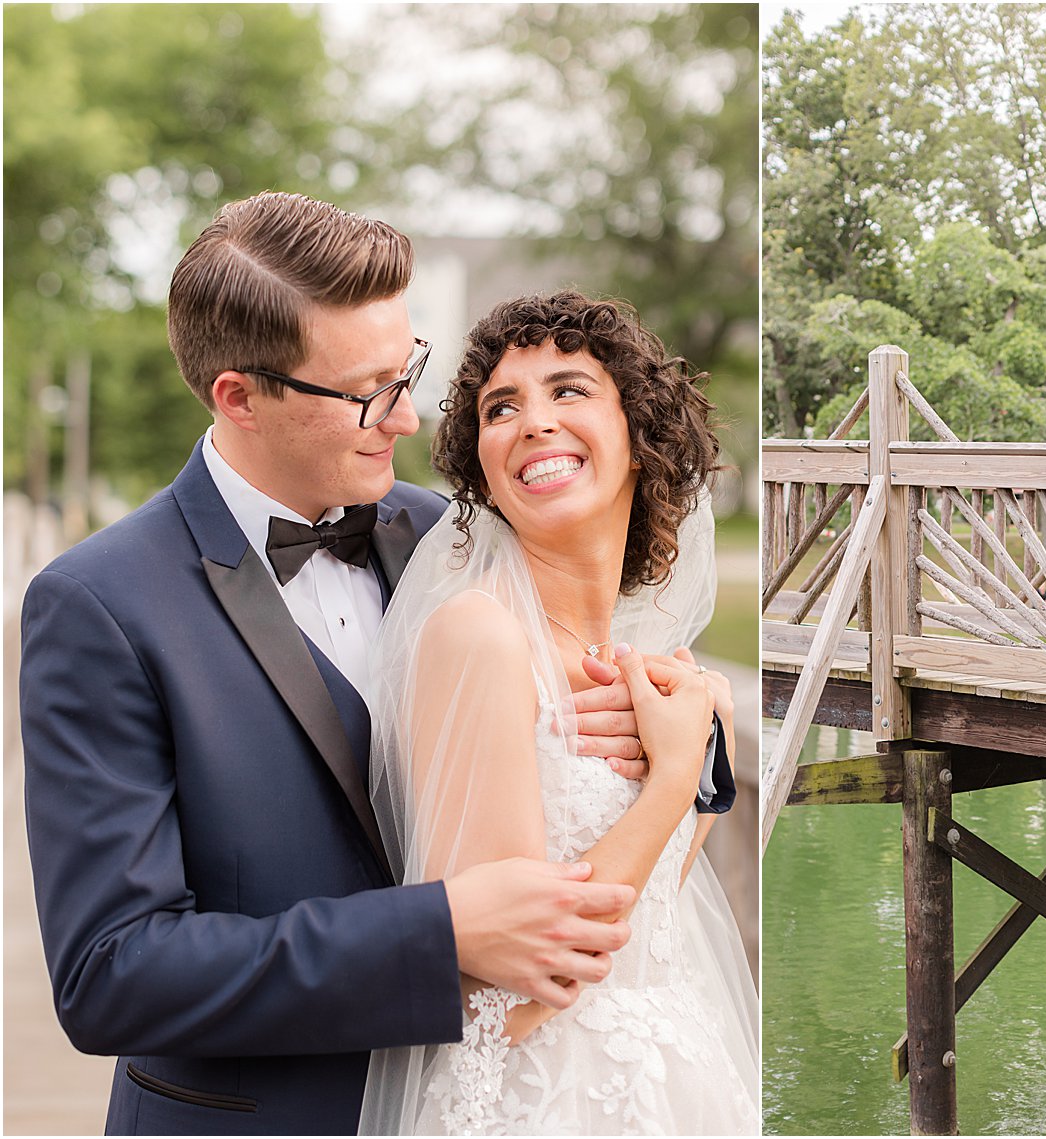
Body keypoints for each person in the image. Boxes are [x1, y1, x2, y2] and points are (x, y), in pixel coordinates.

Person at [18, 193, 706, 1135]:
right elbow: (112, 974)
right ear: (239, 396)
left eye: (408, 371)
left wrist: (695, 761)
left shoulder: (454, 539)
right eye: (369, 391)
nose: (412, 418)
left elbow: (607, 709)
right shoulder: (99, 605)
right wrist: (441, 934)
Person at [358, 292, 759, 1135]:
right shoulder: (478, 637)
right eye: (501, 407)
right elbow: (500, 999)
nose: (533, 421)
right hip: (541, 1101)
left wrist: (705, 773)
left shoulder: (651, 666)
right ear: (485, 467)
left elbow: (653, 919)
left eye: (568, 390)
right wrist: (673, 779)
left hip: (673, 1085)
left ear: (640, 436)